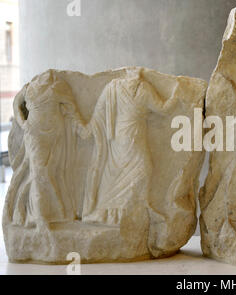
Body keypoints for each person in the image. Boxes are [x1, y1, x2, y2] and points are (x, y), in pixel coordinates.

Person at [81, 68, 179, 225]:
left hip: (135, 134)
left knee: (140, 169)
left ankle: (137, 207)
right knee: (137, 169)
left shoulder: (143, 88)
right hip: (122, 137)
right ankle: (113, 211)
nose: (135, 76)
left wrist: (176, 95)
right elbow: (100, 110)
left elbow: (162, 108)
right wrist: (88, 128)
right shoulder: (113, 88)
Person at [4, 70, 85, 227]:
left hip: (54, 135)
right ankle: (44, 216)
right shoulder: (29, 88)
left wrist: (82, 127)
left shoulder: (58, 87)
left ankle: (54, 212)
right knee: (40, 172)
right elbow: (16, 104)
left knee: (49, 173)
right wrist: (23, 123)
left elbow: (72, 108)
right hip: (34, 133)